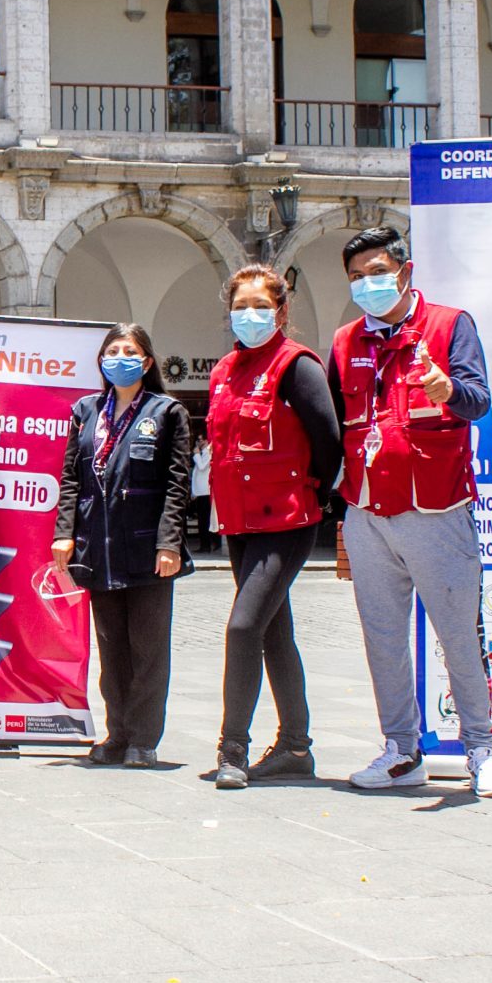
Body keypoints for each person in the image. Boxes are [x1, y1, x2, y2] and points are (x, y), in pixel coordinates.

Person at [329, 227, 492, 798]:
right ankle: (401, 749)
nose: (367, 284)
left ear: (404, 273)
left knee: (458, 634)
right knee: (382, 636)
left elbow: (478, 401)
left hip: (436, 507)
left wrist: (445, 388)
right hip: (366, 509)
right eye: (356, 277)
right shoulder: (343, 341)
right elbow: (333, 420)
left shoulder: (450, 324)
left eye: (376, 272)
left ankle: (481, 749)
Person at [203, 266, 341, 789]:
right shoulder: (224, 371)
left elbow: (327, 439)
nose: (250, 315)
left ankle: (232, 748)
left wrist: (316, 494)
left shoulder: (296, 365)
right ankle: (295, 747)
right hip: (239, 521)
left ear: (282, 312)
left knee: (243, 627)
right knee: (273, 633)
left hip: (287, 518)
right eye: (241, 307)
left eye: (261, 306)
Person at [51, 323, 191, 768]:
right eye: (112, 350)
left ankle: (144, 740)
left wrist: (169, 542)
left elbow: (177, 484)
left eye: (130, 350)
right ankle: (117, 733)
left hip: (148, 549)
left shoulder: (167, 412)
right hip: (100, 548)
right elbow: (71, 477)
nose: (120, 358)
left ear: (147, 361)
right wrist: (64, 532)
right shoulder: (86, 410)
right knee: (112, 650)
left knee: (148, 650)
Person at [188, 431, 216, 553]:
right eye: (197, 441)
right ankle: (205, 544)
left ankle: (207, 545)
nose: (199, 443)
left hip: (206, 492)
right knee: (202, 520)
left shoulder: (208, 453)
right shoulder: (203, 453)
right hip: (200, 492)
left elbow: (202, 466)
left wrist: (197, 455)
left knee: (205, 521)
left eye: (201, 440)